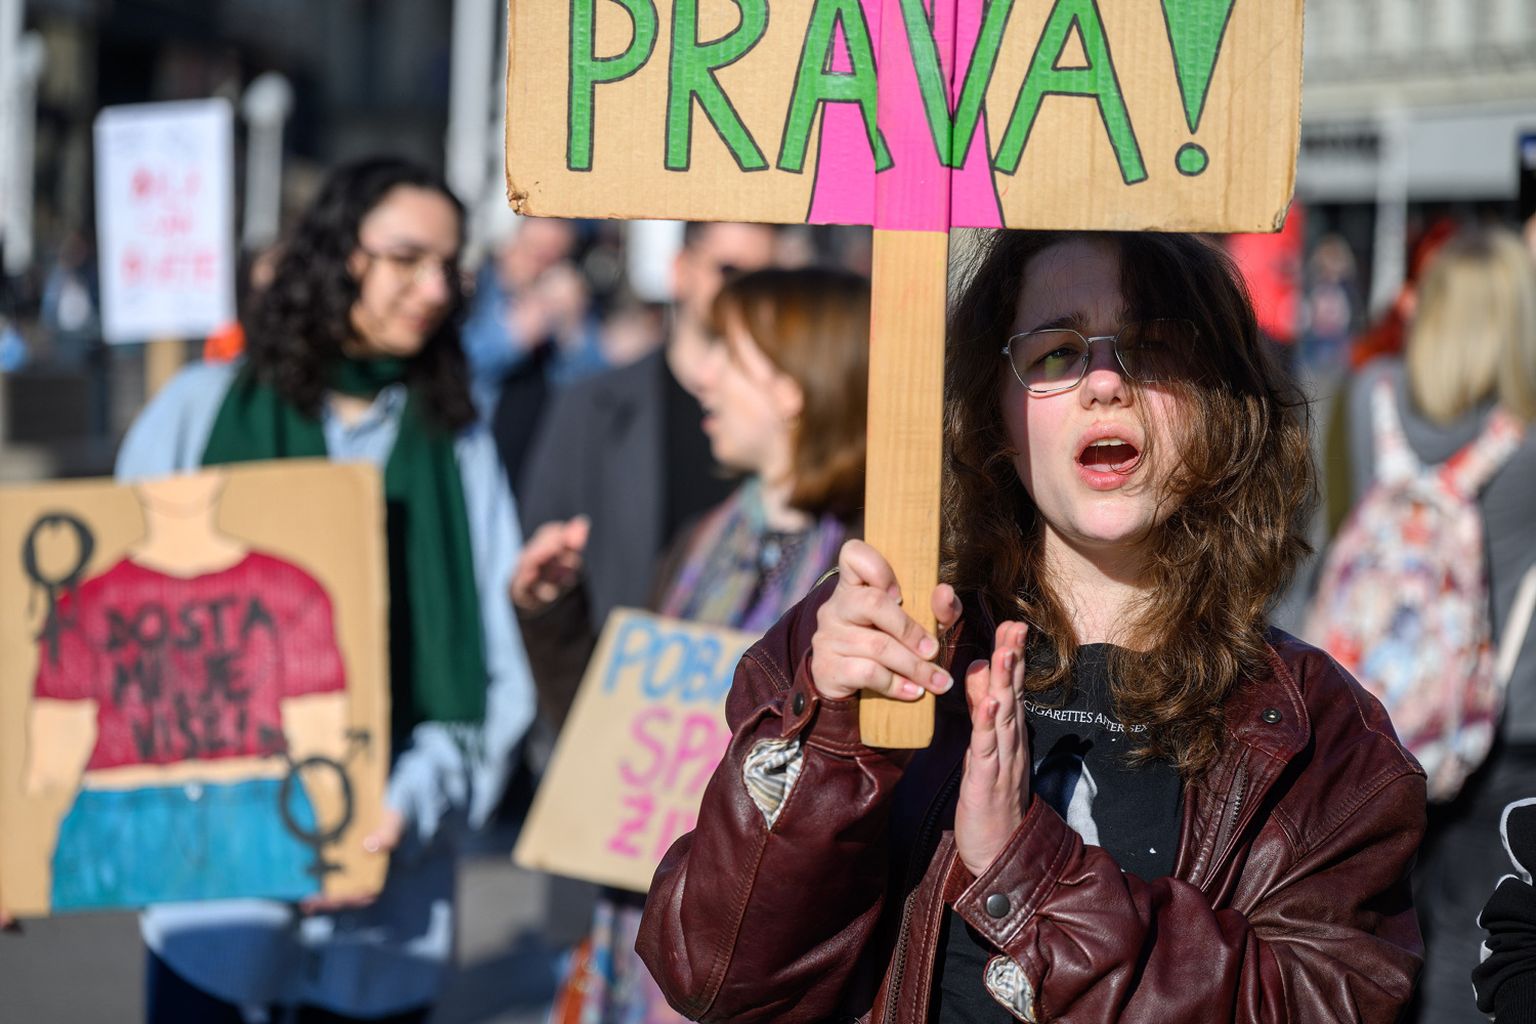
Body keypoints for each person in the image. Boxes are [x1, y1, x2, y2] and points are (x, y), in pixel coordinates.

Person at [637, 230, 1427, 1022]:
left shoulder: (1327, 745)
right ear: (997, 419)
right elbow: (714, 977)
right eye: (1056, 354)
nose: (1106, 383)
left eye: (1151, 348)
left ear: (1220, 406)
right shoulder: (865, 640)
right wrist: (830, 742)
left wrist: (1030, 874)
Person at [114, 156, 537, 1023]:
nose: (434, 290)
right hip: (217, 899)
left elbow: (494, 667)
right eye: (406, 259)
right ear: (338, 254)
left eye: (449, 267)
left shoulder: (457, 441)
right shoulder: (199, 409)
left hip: (385, 920)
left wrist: (406, 805)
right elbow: (112, 629)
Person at [535, 265, 870, 1024]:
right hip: (640, 932)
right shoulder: (701, 542)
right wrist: (552, 616)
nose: (704, 377)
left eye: (731, 356)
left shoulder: (866, 568)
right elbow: (615, 744)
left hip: (766, 952)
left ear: (795, 385)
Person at [1336, 227, 1536, 1024]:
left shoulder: (1370, 398)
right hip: (1507, 720)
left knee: (1375, 920)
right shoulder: (1526, 440)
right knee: (1472, 931)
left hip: (1379, 708)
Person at [512, 221, 777, 729]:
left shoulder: (789, 423)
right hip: (613, 722)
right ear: (681, 271)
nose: (750, 292)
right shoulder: (592, 407)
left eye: (767, 277)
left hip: (744, 727)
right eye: (730, 270)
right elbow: (542, 556)